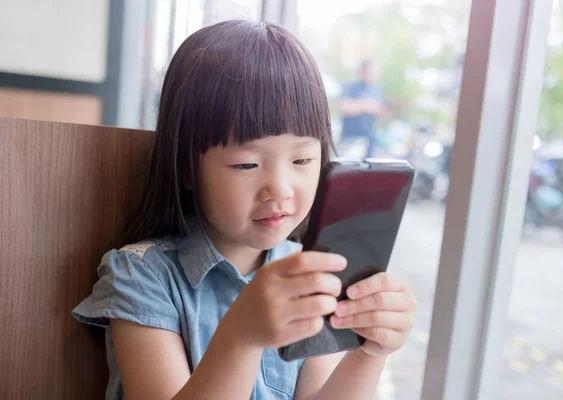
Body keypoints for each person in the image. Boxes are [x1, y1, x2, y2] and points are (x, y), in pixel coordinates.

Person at [72, 20, 417, 400]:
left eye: (302, 160)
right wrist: (241, 336)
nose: (280, 189)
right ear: (187, 166)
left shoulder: (313, 273)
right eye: (246, 165)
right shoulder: (143, 277)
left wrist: (370, 351)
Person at [338, 60, 388, 158]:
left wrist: (359, 106)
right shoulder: (351, 87)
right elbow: (345, 107)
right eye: (370, 72)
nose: (373, 75)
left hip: (369, 139)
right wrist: (368, 106)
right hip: (350, 137)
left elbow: (380, 109)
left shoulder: (377, 90)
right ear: (362, 72)